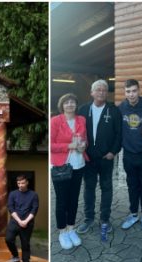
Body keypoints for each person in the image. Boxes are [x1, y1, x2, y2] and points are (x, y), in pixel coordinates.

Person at [77, 79, 123, 241]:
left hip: (106, 157)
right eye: (98, 90)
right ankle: (89, 218)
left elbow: (119, 133)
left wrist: (113, 151)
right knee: (89, 188)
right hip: (88, 158)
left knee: (106, 188)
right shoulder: (83, 110)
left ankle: (105, 219)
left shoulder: (113, 110)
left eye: (104, 90)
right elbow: (76, 131)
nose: (101, 92)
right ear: (92, 93)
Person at [50, 93, 88, 251]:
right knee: (61, 200)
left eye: (72, 102)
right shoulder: (55, 121)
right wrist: (69, 146)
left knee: (73, 199)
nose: (70, 105)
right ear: (62, 105)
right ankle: (62, 231)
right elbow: (51, 145)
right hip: (61, 166)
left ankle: (71, 228)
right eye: (67, 102)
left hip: (78, 164)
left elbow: (84, 139)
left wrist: (83, 146)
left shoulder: (81, 120)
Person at [119, 79, 142, 231]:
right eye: (128, 91)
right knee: (132, 185)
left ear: (139, 90)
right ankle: (133, 214)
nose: (131, 94)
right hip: (128, 154)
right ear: (124, 92)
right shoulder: (120, 108)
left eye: (133, 91)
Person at [5, 175, 38, 262]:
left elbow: (34, 209)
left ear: (27, 182)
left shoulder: (33, 195)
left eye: (22, 183)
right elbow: (11, 208)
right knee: (8, 239)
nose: (21, 185)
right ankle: (15, 256)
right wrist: (19, 221)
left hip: (28, 222)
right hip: (15, 221)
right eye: (19, 183)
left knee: (25, 244)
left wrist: (26, 221)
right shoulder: (13, 194)